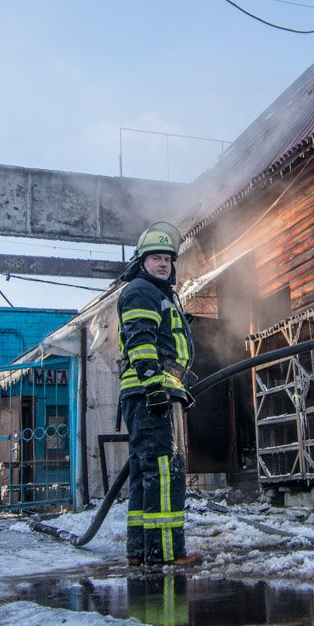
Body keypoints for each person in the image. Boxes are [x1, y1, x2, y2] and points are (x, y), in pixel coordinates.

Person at [117, 221, 200, 567]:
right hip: (153, 391)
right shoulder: (142, 292)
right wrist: (154, 384)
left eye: (167, 258)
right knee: (166, 470)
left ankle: (140, 551)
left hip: (154, 390)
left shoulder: (158, 294)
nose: (164, 264)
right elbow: (140, 339)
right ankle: (167, 552)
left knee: (144, 471)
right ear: (141, 261)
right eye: (155, 258)